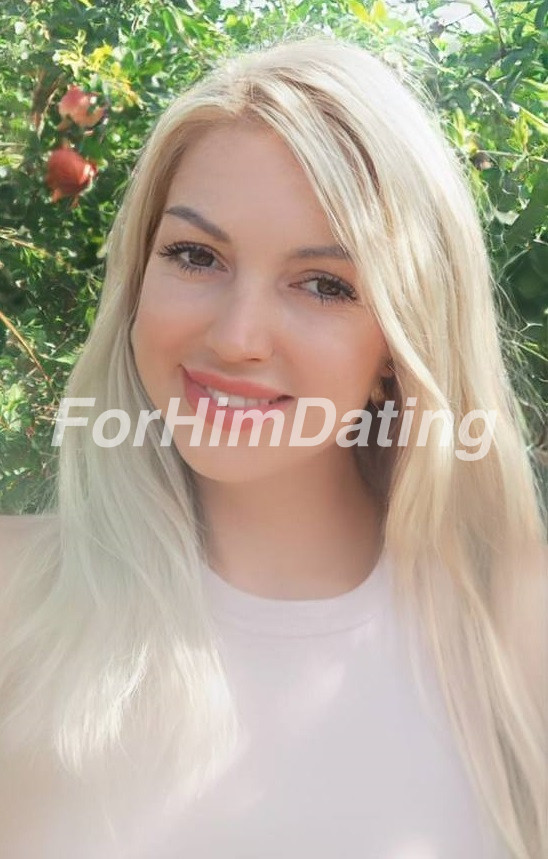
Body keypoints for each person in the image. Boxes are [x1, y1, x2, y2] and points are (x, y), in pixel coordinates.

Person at [0, 33, 546, 859]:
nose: (237, 336)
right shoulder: (15, 597)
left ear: (402, 339)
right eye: (195, 255)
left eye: (324, 284)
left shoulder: (517, 630)